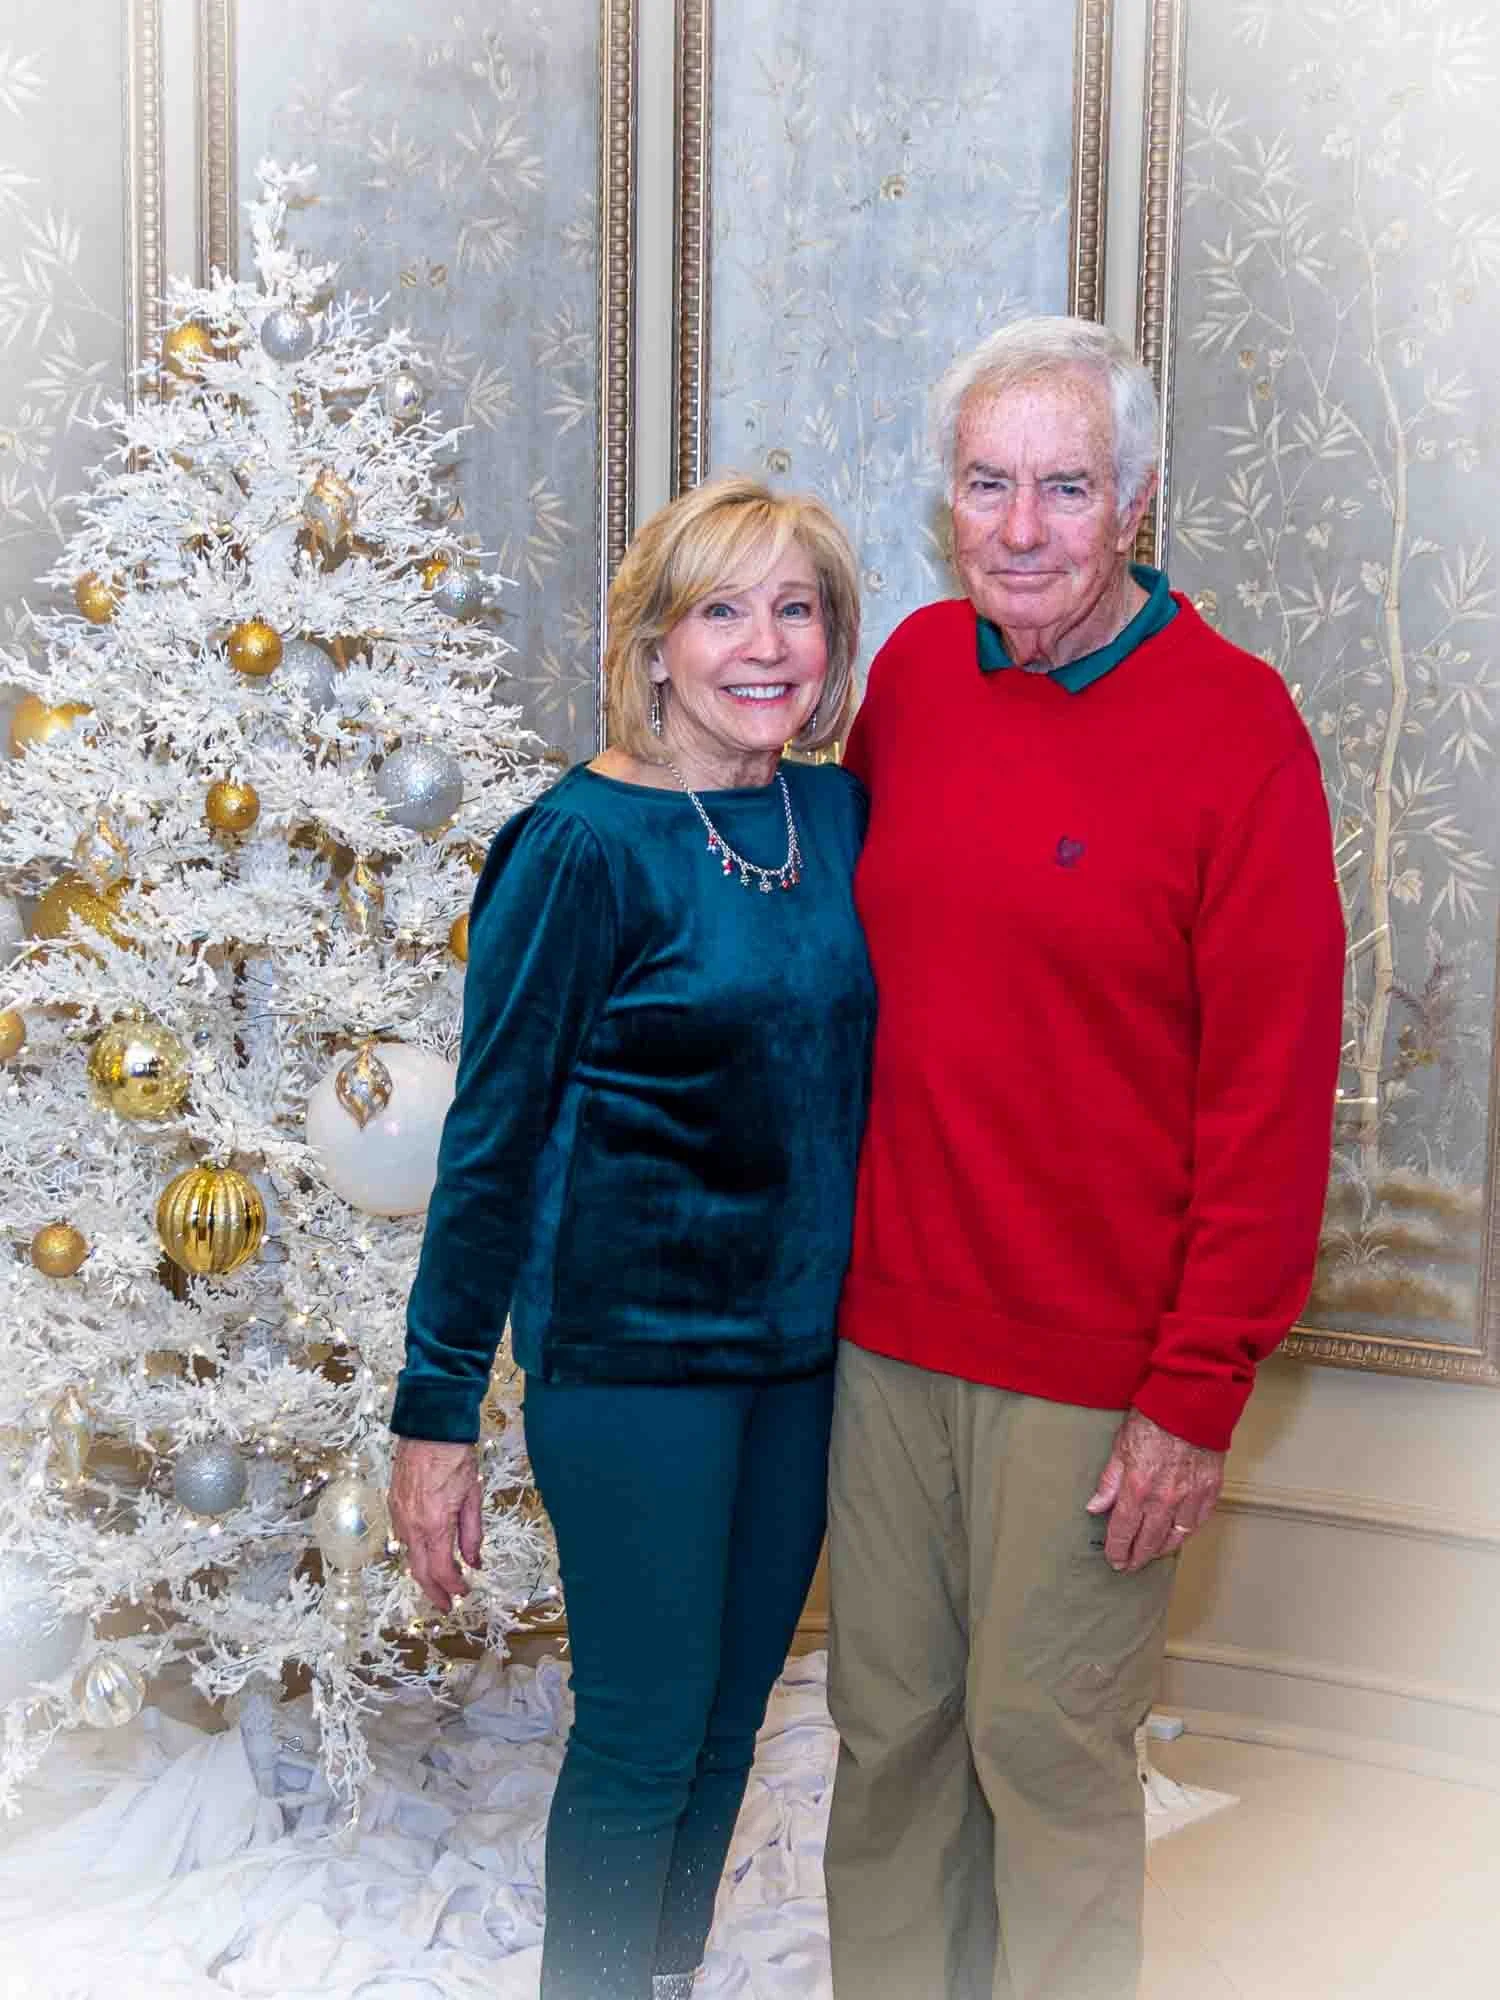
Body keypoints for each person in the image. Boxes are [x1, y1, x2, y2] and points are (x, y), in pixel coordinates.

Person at [823, 317, 1345, 2000]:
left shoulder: (1236, 727)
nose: (1023, 527)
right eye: (989, 484)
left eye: (1064, 486)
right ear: (948, 500)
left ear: (1132, 503)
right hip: (890, 1336)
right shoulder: (908, 677)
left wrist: (1195, 1394)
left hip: (1095, 1365)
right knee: (887, 1737)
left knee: (1043, 1747)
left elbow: (1270, 1099)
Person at [387, 473, 874, 2000]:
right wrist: (435, 1414)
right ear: (656, 643)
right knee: (644, 1729)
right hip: (631, 1363)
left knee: (733, 1719)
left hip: (800, 1359)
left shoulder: (836, 812)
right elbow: (489, 1144)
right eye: (723, 607)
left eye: (794, 607)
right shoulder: (577, 845)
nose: (765, 642)